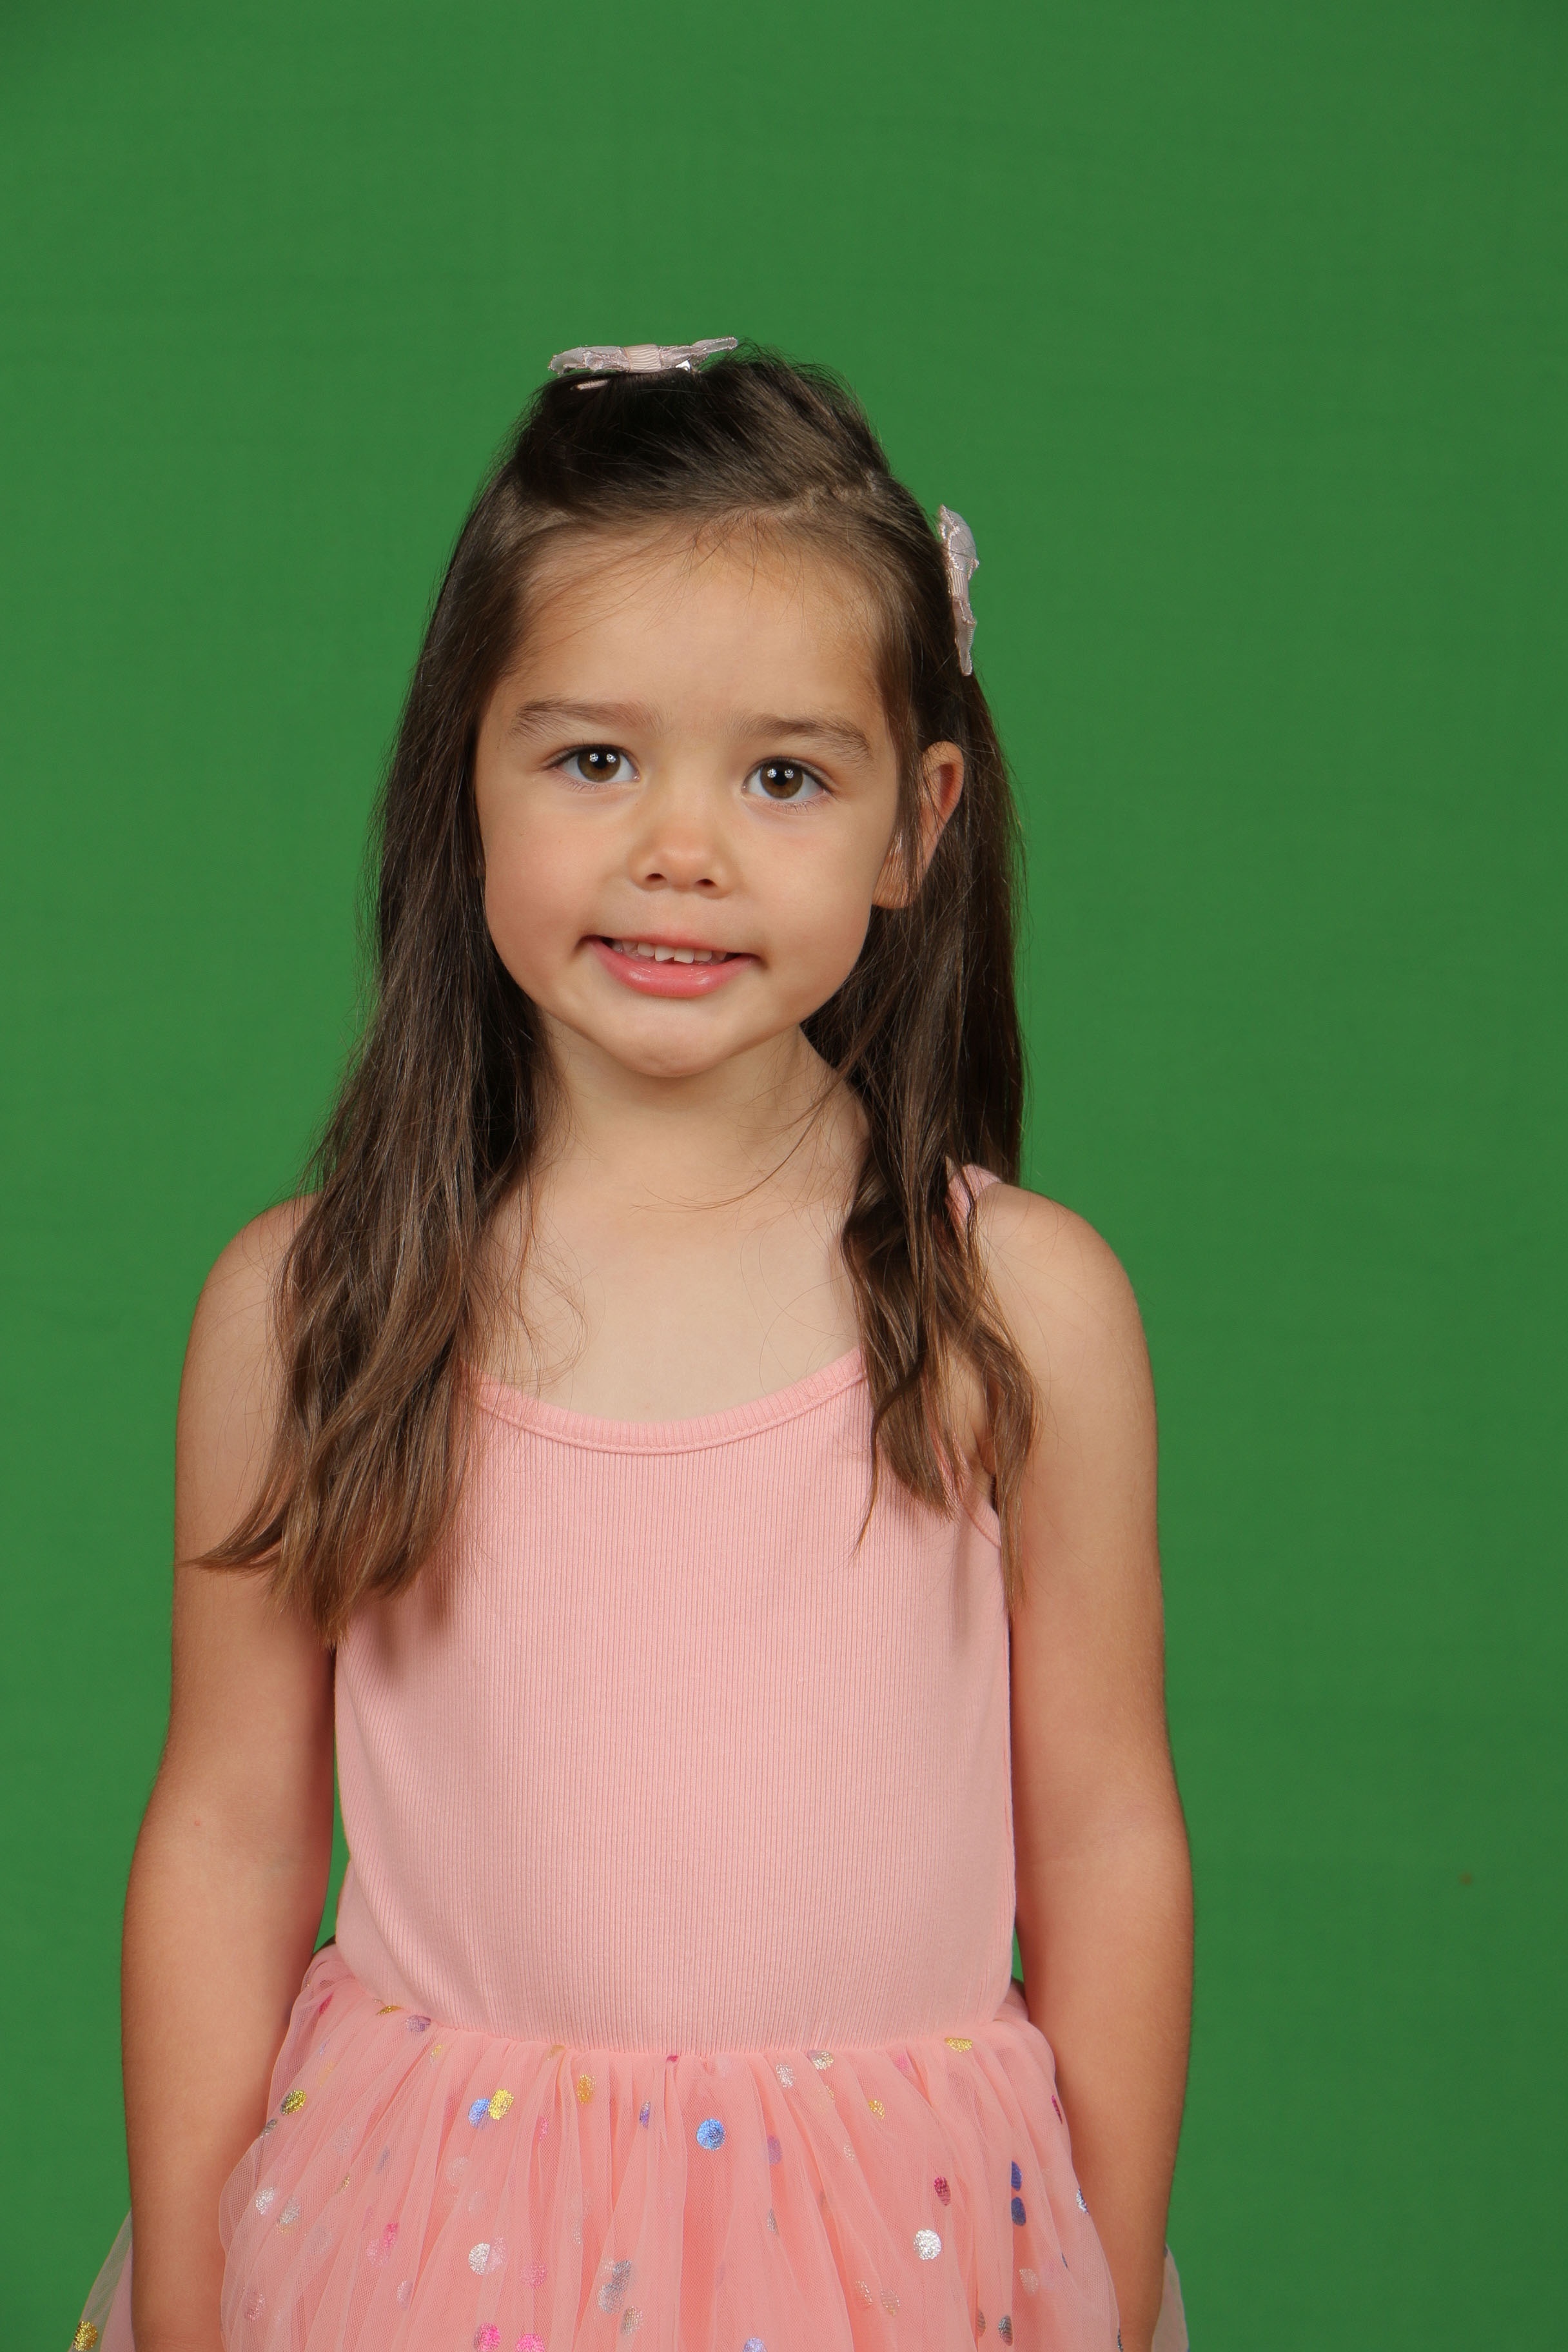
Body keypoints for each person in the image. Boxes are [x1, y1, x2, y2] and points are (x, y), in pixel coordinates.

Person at [74, 342, 1192, 2352]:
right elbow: (230, 1828)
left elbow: (1106, 1831)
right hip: (421, 2265)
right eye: (595, 761)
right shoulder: (317, 1306)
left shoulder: (1017, 1312)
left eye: (785, 777)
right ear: (467, 776)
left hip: (892, 2267)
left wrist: (1097, 2285)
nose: (684, 848)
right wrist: (181, 2292)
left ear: (916, 821)